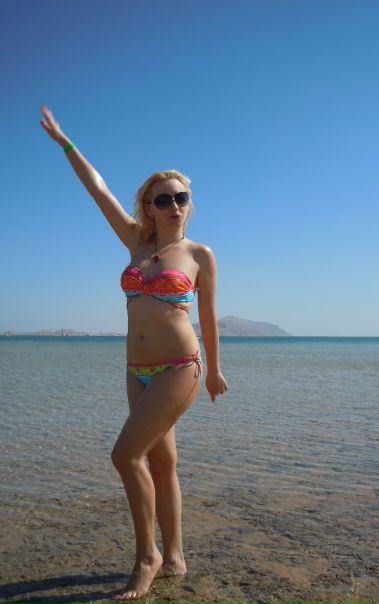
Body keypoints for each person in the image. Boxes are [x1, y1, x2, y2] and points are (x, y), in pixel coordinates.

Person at [39, 105, 228, 600]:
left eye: (181, 197)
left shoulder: (200, 255)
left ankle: (148, 557)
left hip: (180, 367)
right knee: (161, 464)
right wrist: (66, 143)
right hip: (135, 369)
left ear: (189, 203)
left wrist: (215, 371)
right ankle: (176, 559)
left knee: (125, 455)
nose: (174, 205)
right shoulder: (135, 243)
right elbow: (98, 189)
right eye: (164, 198)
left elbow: (208, 319)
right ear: (149, 205)